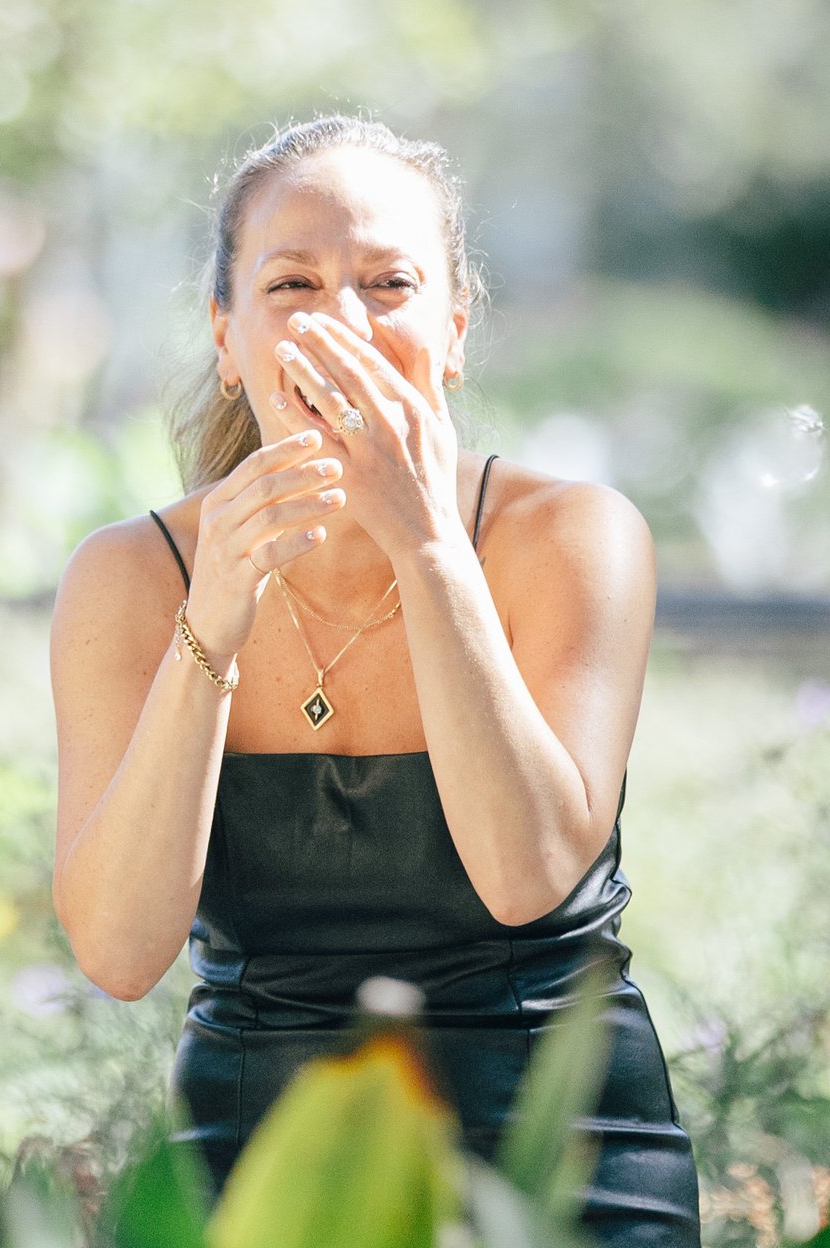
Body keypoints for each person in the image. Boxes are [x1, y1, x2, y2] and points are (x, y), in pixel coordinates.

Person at [49, 116, 699, 1245]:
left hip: (558, 1162)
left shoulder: (574, 538)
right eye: (292, 282)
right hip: (260, 1164)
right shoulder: (129, 576)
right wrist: (212, 617)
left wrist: (429, 548)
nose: (339, 322)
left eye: (386, 283)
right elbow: (117, 948)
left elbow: (524, 873)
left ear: (451, 330)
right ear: (226, 332)